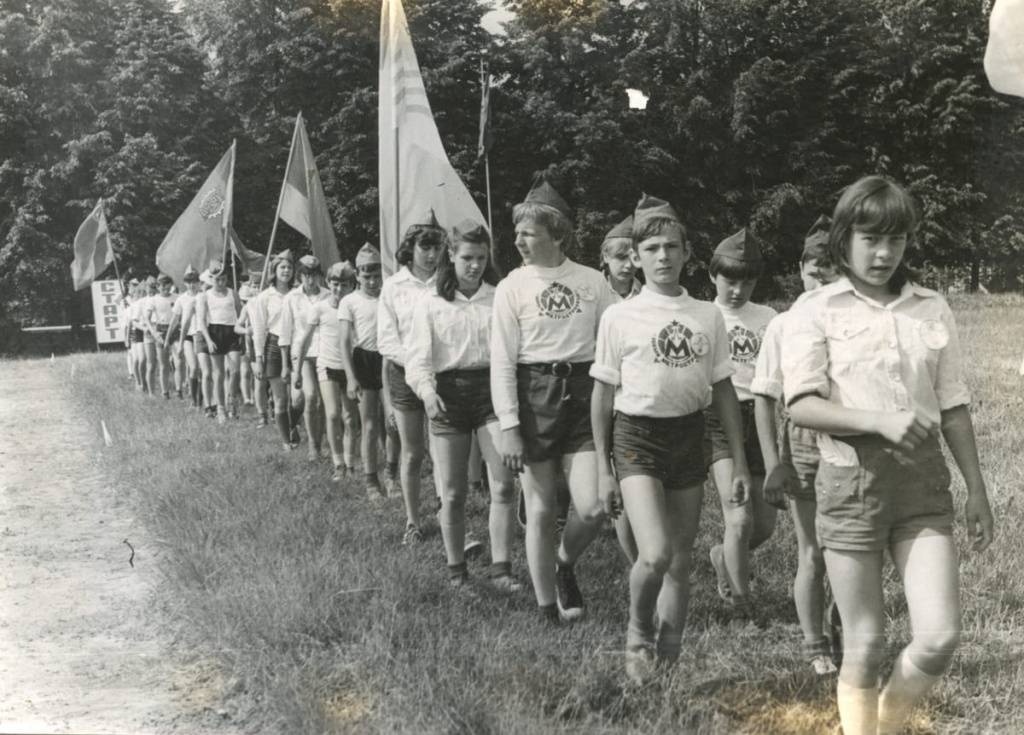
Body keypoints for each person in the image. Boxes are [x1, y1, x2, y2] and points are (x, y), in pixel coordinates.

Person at [782, 175, 994, 735]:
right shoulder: (817, 310)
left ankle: (889, 721)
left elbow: (952, 405)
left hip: (923, 486)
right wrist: (878, 421)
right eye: (869, 239)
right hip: (852, 485)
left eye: (895, 240)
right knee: (865, 644)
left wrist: (976, 488)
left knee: (940, 637)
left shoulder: (930, 307)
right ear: (843, 241)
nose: (882, 253)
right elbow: (801, 404)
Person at [591, 194, 749, 683]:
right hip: (636, 437)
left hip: (690, 434)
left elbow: (723, 389)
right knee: (654, 553)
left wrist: (740, 461)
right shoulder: (619, 316)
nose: (663, 256)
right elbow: (601, 396)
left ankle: (668, 660)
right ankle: (638, 633)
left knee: (680, 562)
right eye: (652, 248)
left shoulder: (707, 314)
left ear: (686, 253)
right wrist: (602, 468)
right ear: (635, 256)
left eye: (672, 247)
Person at [491, 178, 617, 624]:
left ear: (556, 233)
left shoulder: (592, 282)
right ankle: (546, 606)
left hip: (584, 394)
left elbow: (615, 336)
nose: (519, 241)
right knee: (541, 508)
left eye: (529, 233)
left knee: (594, 506)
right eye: (518, 232)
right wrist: (508, 424)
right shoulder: (512, 286)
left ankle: (564, 563)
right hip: (534, 394)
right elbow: (502, 361)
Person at [405, 220, 521, 592]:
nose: (474, 266)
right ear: (450, 255)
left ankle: (501, 569)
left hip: (492, 393)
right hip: (448, 396)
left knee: (503, 485)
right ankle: (457, 571)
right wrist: (426, 393)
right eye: (467, 257)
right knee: (453, 492)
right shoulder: (431, 302)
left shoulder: (499, 296)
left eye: (481, 258)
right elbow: (417, 360)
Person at [751, 215, 840, 676]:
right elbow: (764, 398)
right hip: (802, 441)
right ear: (799, 267)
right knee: (814, 549)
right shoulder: (783, 324)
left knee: (850, 546)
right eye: (812, 266)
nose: (821, 274)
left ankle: (844, 625)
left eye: (831, 265)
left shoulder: (856, 318)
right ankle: (815, 645)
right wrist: (773, 464)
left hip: (850, 437)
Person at [705, 228, 778, 612]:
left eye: (747, 282)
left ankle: (723, 556)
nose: (737, 290)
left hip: (761, 417)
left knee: (764, 524)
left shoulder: (769, 317)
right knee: (738, 517)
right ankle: (740, 601)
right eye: (730, 281)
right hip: (718, 419)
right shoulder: (704, 315)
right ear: (712, 277)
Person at [378, 211, 445, 545]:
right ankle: (413, 521)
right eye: (425, 247)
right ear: (410, 248)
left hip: (442, 376)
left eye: (437, 248)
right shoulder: (393, 286)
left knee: (443, 448)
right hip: (405, 376)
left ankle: (449, 511)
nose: (432, 255)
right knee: (413, 451)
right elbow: (386, 340)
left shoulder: (446, 283)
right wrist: (415, 364)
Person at [294, 260, 361, 481]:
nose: (338, 290)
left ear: (352, 285)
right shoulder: (320, 308)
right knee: (332, 414)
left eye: (344, 285)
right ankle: (338, 462)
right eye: (334, 284)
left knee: (350, 418)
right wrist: (296, 371)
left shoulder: (355, 306)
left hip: (350, 368)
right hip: (328, 366)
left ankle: (351, 463)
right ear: (328, 283)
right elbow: (304, 341)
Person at [340, 243, 394, 498]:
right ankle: (371, 479)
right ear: (357, 276)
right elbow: (344, 341)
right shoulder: (349, 301)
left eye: (376, 276)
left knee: (392, 423)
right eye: (366, 276)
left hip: (387, 358)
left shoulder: (388, 296)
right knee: (370, 424)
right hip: (363, 360)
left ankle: (392, 474)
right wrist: (351, 377)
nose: (372, 282)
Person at [282, 255, 330, 461]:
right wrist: (286, 365)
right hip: (302, 355)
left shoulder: (328, 296)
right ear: (300, 276)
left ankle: (325, 442)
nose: (310, 280)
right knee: (310, 397)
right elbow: (285, 333)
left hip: (326, 352)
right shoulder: (292, 298)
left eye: (314, 275)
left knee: (325, 402)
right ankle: (313, 445)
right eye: (306, 275)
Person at [253, 250, 298, 448]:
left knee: (300, 397)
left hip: (297, 346)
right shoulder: (264, 297)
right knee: (280, 398)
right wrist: (259, 358)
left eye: (289, 267)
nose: (286, 271)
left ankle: (292, 423)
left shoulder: (298, 294)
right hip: (273, 346)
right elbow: (259, 330)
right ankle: (286, 441)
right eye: (282, 267)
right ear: (274, 270)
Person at [195, 259, 243, 423]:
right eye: (217, 279)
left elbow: (241, 314)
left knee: (235, 371)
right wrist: (208, 340)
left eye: (224, 279)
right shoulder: (204, 296)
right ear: (211, 279)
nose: (221, 283)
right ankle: (220, 408)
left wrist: (243, 330)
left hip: (232, 331)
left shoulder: (232, 293)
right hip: (214, 332)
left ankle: (232, 400)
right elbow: (201, 321)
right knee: (219, 373)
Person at [166, 266, 203, 408]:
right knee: (193, 367)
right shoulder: (182, 299)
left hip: (202, 334)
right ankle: (194, 400)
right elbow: (174, 320)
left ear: (199, 282)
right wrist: (168, 339)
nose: (192, 285)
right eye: (189, 282)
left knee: (203, 370)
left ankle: (203, 398)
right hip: (187, 336)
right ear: (185, 284)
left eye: (194, 281)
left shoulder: (204, 296)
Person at [143, 274, 177, 399]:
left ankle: (180, 390)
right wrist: (154, 333)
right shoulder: (153, 299)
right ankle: (165, 392)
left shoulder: (176, 297)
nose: (165, 289)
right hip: (160, 330)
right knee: (164, 364)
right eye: (162, 286)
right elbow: (146, 318)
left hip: (174, 329)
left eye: (168, 286)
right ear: (158, 287)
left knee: (179, 361)